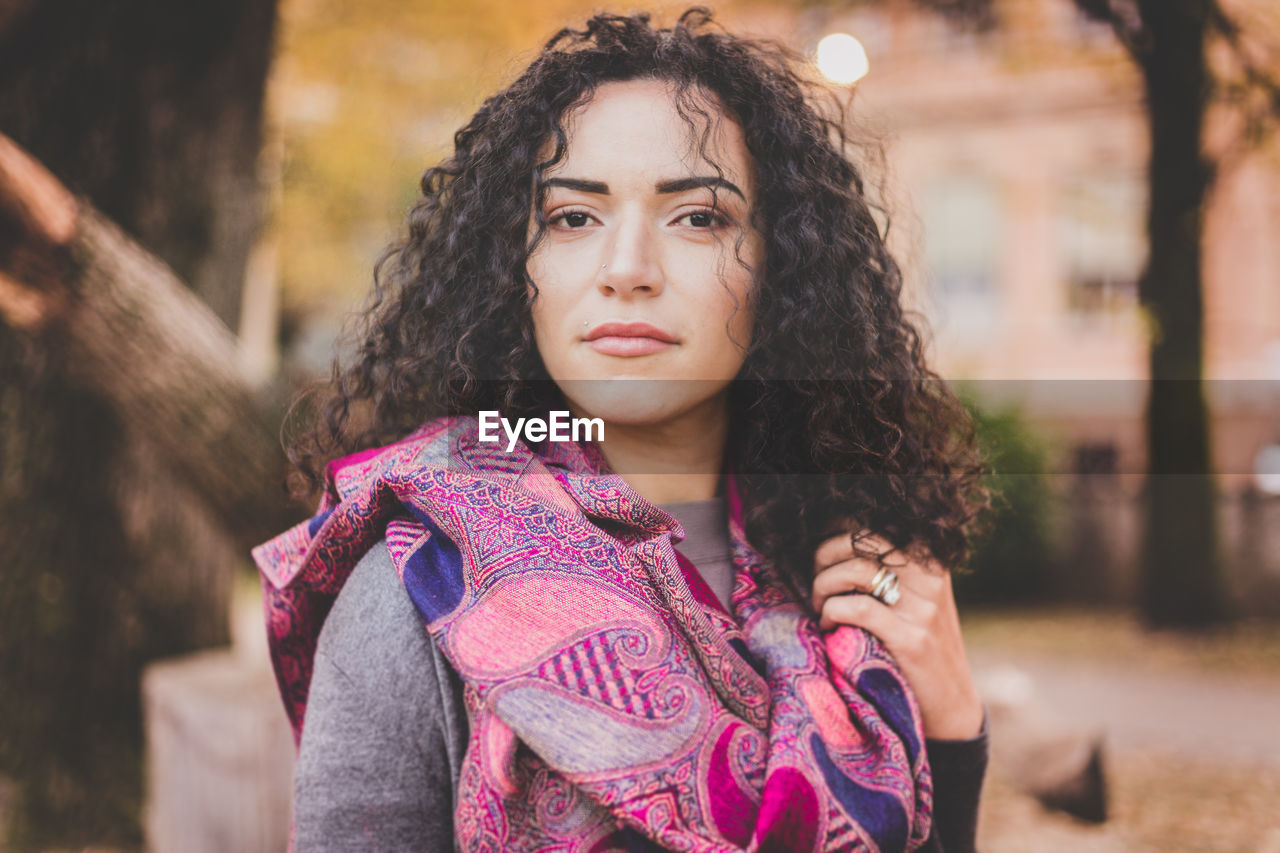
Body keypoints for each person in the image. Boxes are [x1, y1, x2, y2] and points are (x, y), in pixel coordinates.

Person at [254, 8, 992, 852]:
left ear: (782, 269)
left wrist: (954, 723)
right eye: (574, 217)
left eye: (698, 217)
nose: (628, 269)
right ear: (515, 267)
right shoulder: (416, 586)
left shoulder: (853, 583)